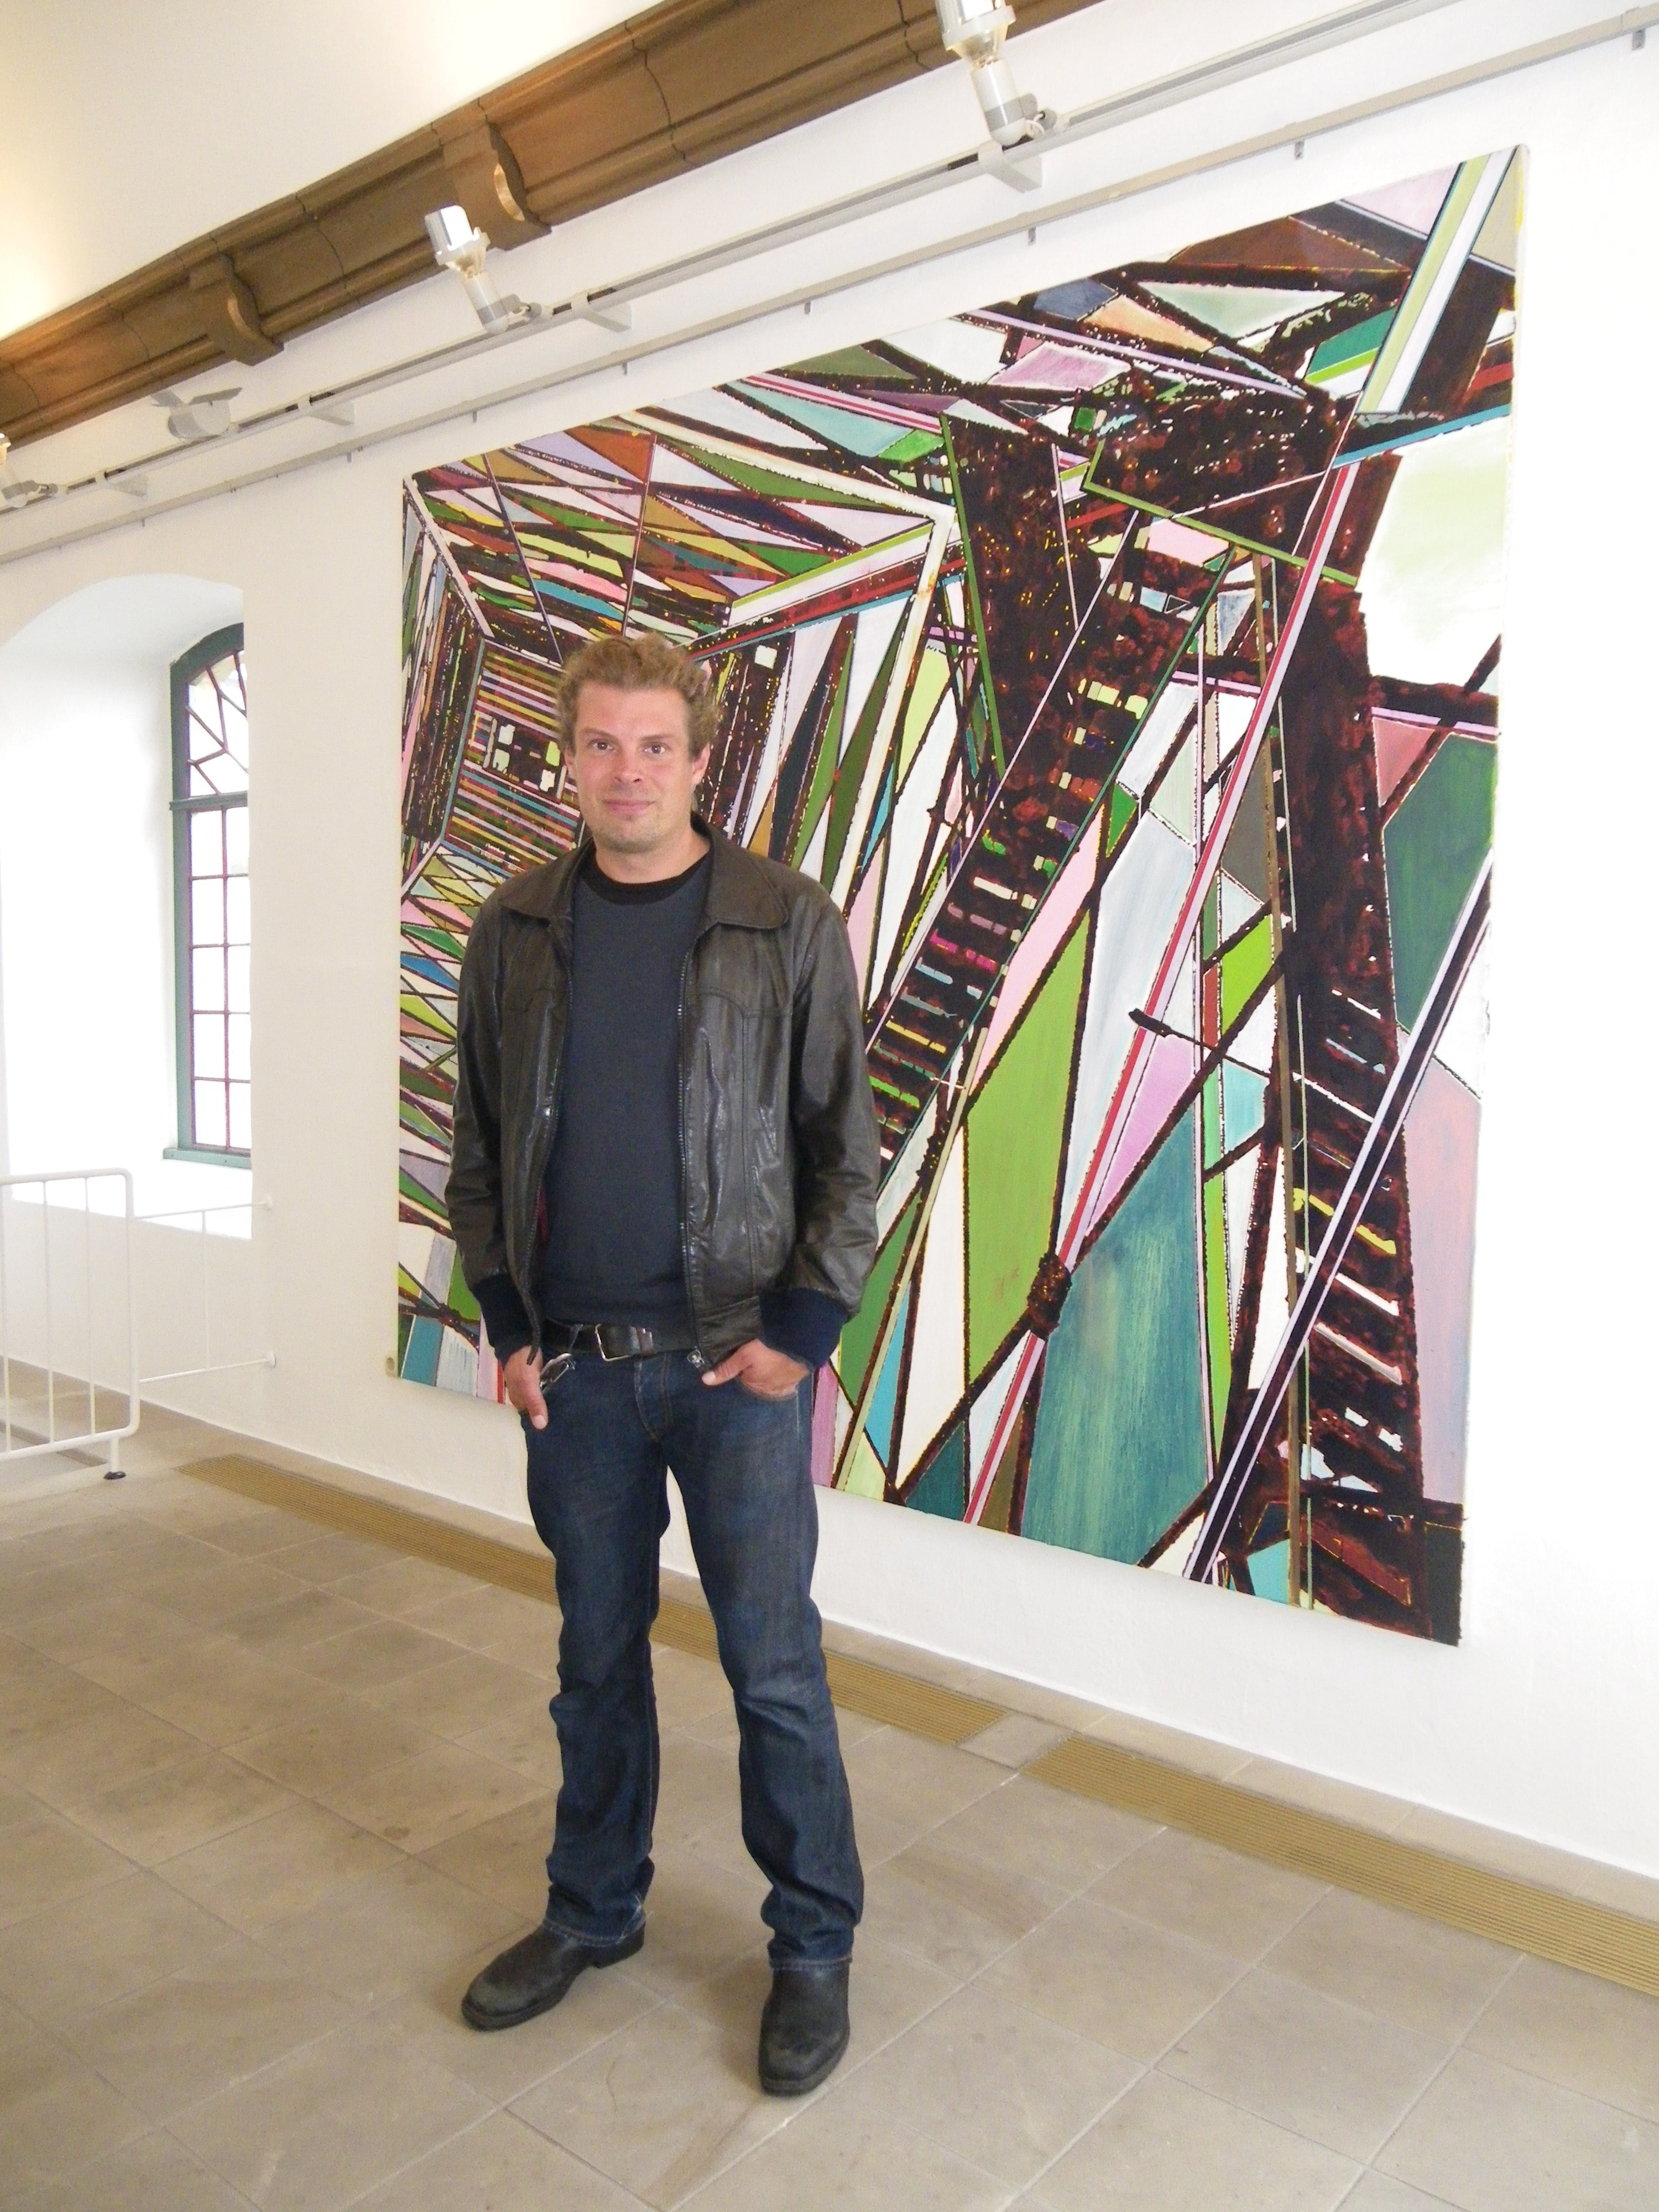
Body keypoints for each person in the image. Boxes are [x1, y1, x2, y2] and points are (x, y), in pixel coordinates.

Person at [444, 632, 879, 2095]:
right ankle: (592, 1909)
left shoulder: (783, 920)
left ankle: (812, 1943)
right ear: (570, 758)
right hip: (573, 1376)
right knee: (593, 1663)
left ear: (698, 762)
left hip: (730, 1372)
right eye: (601, 745)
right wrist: (506, 1325)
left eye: (654, 746)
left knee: (772, 1669)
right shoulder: (513, 927)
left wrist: (801, 1335)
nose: (626, 772)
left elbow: (844, 1150)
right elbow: (478, 1146)